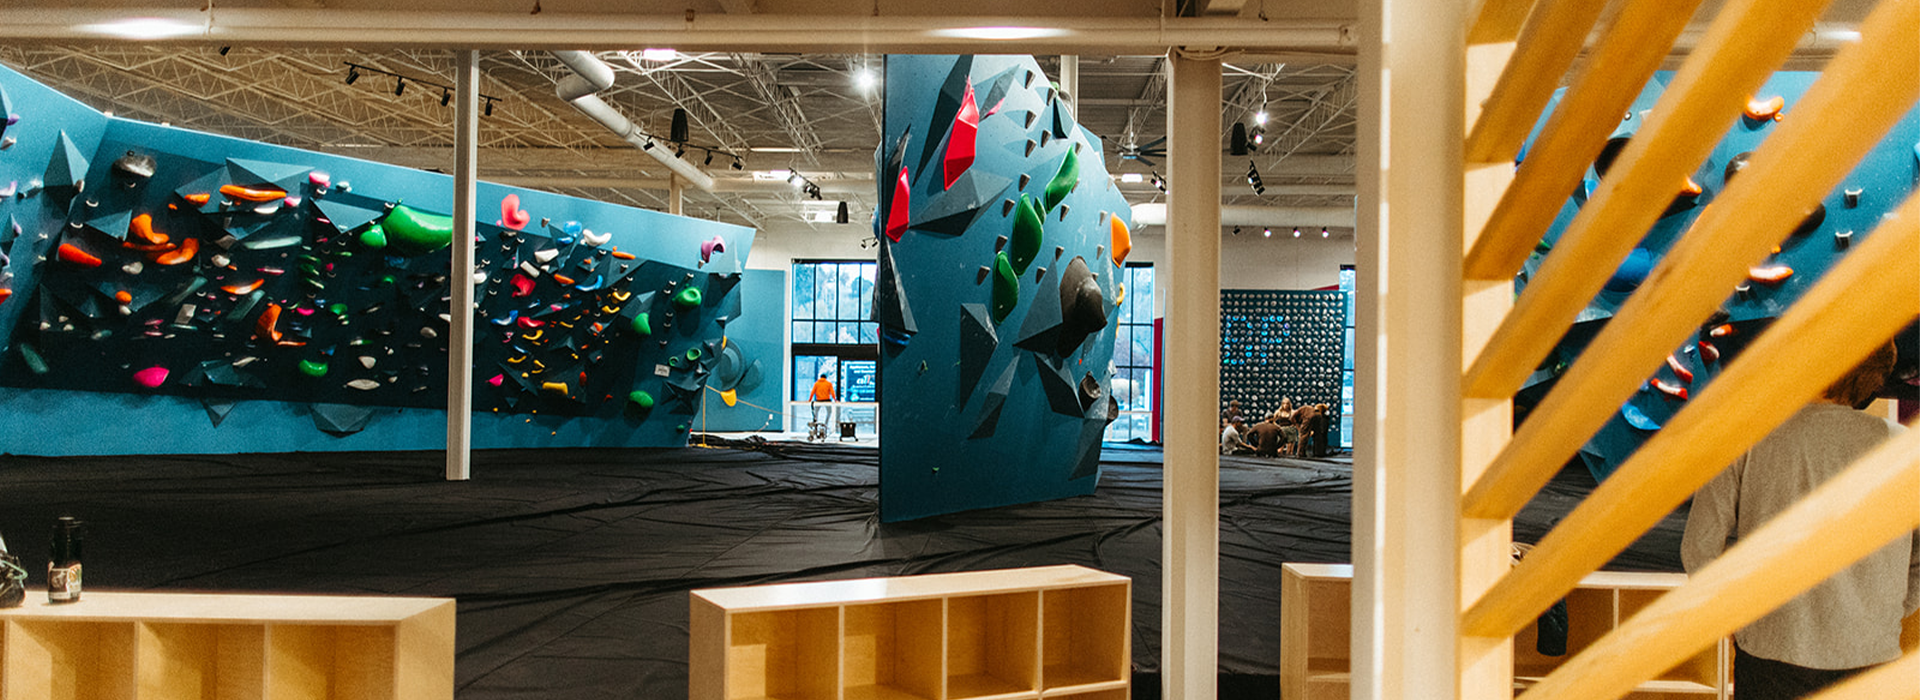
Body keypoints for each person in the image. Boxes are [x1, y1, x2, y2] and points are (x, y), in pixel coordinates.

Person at [1681, 342, 1915, 700]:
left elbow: (1699, 549)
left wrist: (1734, 618)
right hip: (1871, 656)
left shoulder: (1747, 439)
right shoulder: (1904, 451)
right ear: (1876, 377)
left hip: (1771, 654)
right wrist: (1892, 610)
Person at [809, 371, 835, 438]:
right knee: (829, 412)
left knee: (816, 412)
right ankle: (826, 423)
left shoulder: (816, 384)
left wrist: (810, 399)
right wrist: (835, 399)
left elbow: (812, 392)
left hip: (819, 400)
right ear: (825, 378)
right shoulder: (828, 384)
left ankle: (816, 423)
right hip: (827, 400)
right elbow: (832, 392)